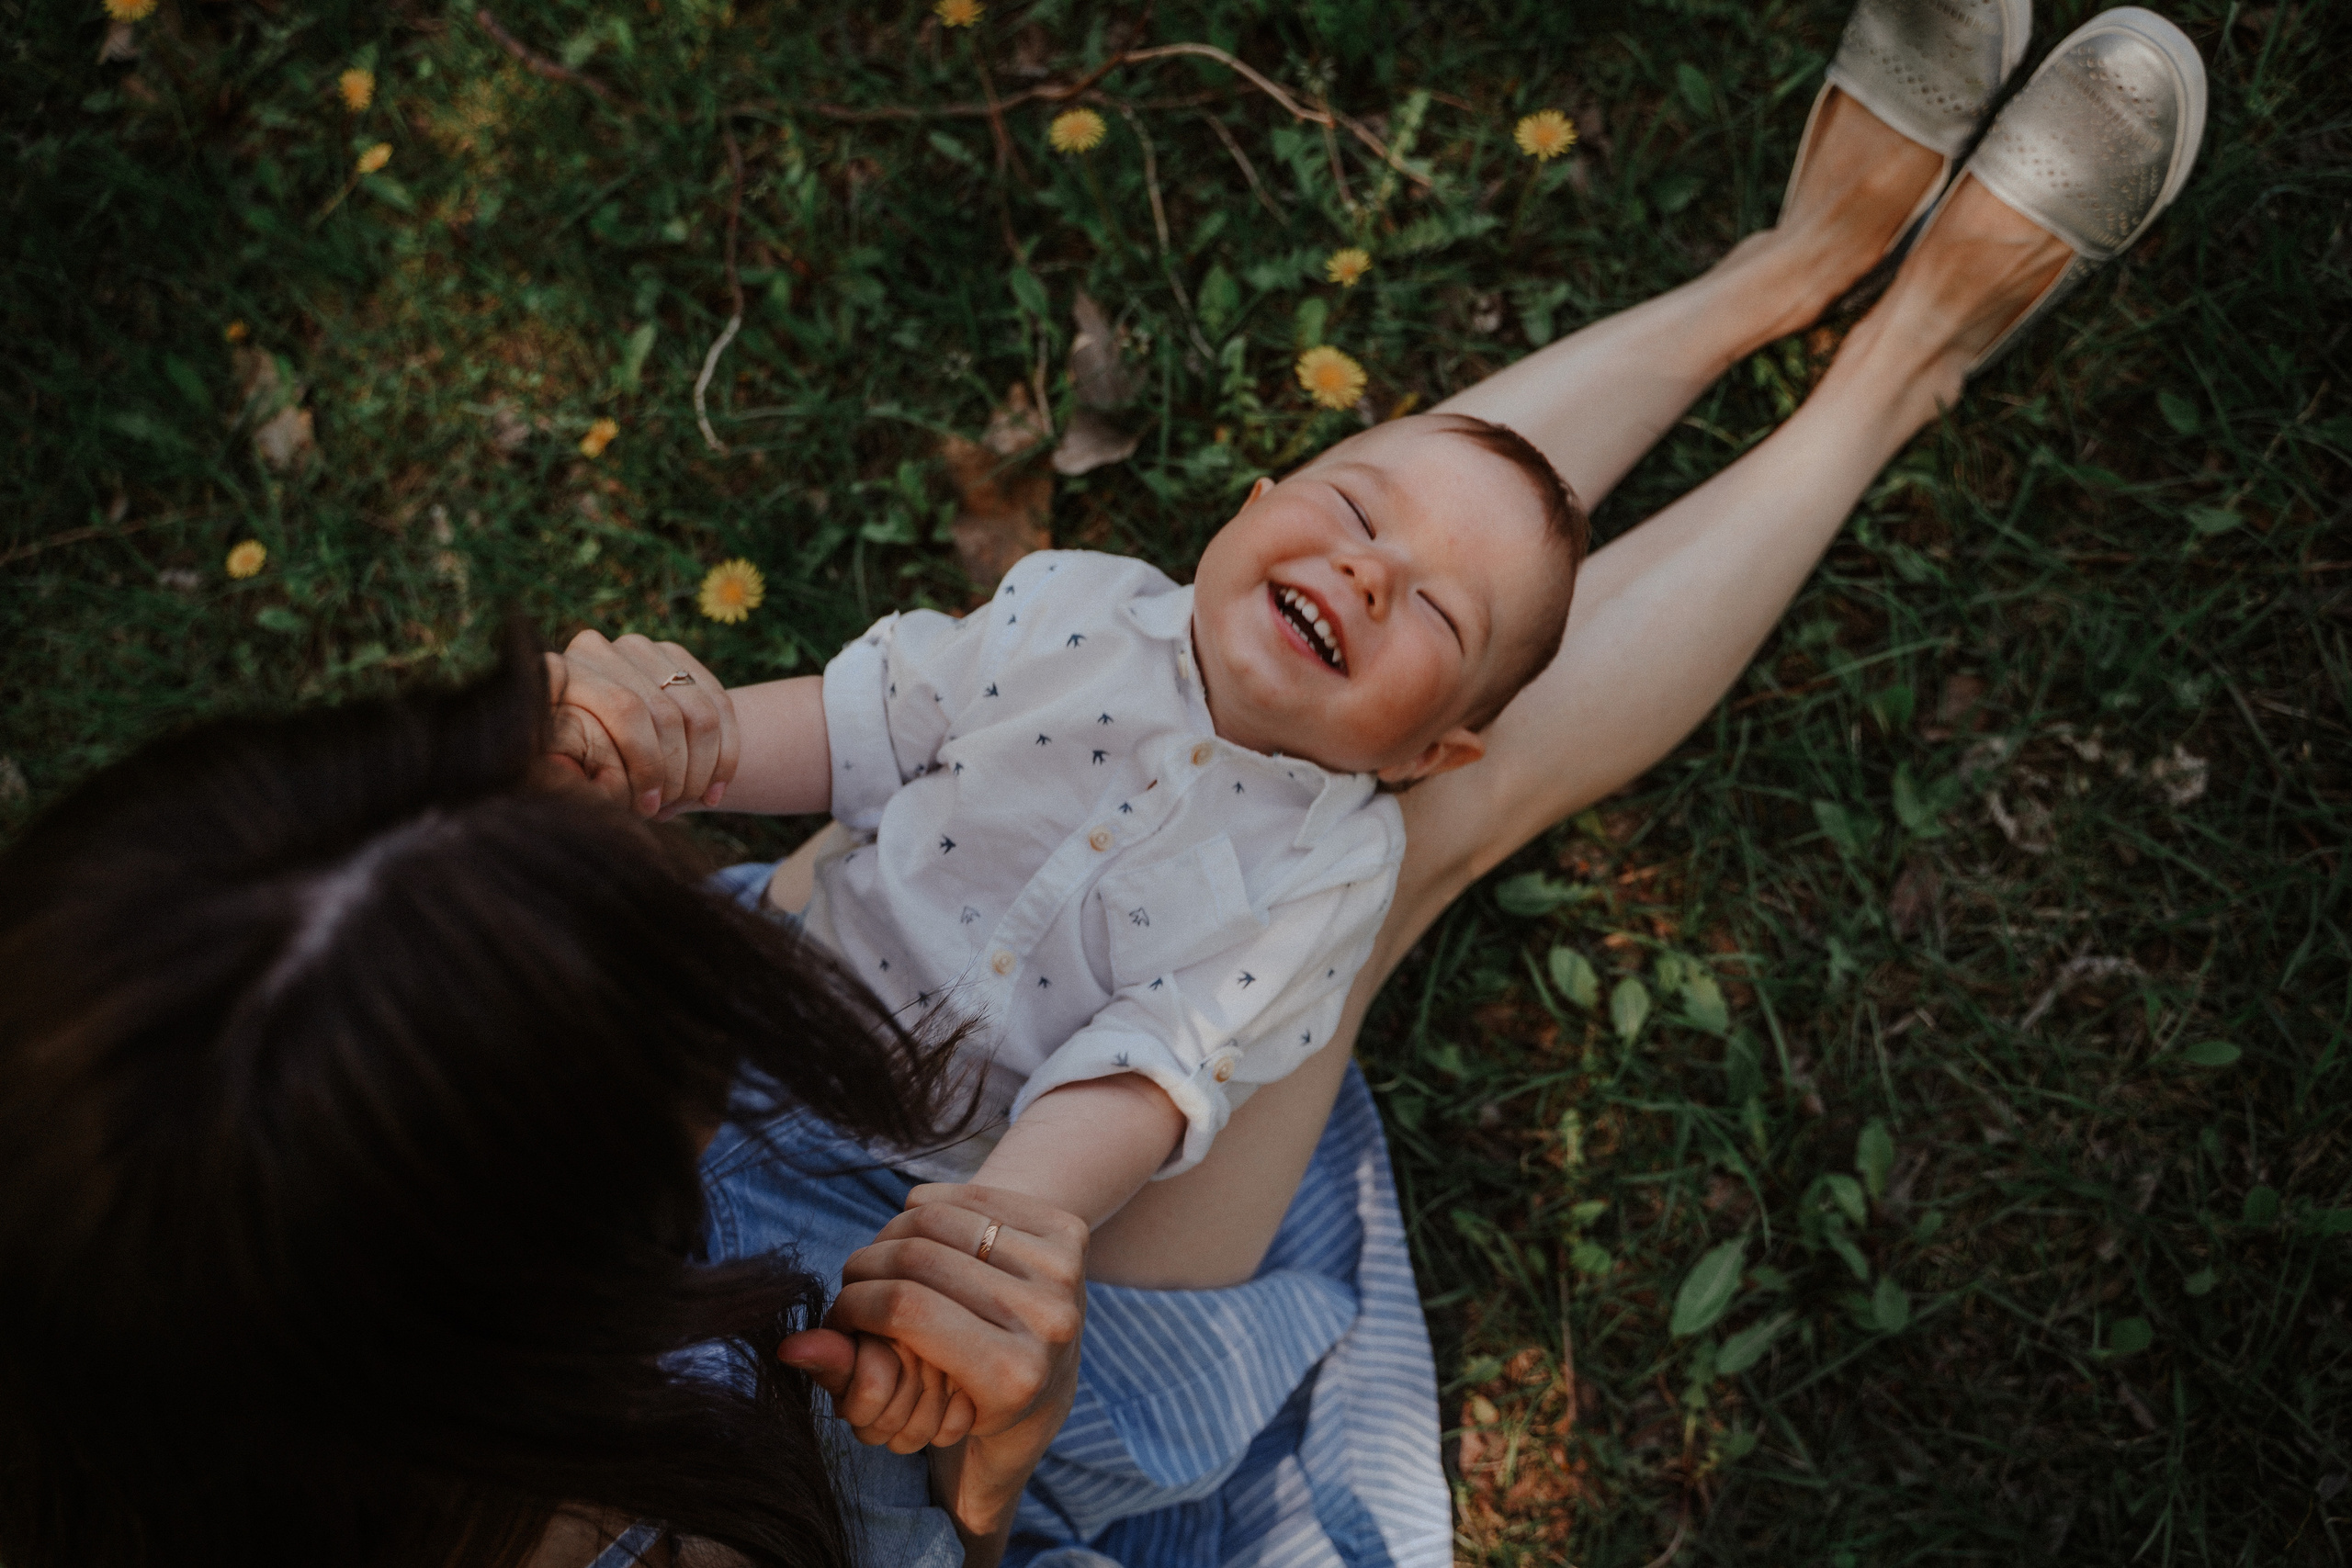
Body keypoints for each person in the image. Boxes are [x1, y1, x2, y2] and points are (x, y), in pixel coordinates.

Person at [0, 4, 2206, 1565]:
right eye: (651, 937)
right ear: (549, 1331)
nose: (686, 876)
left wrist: (665, 745)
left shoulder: (148, 1249)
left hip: (898, 1141)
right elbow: (1061, 1191)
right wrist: (984, 1464)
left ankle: (1787, 270)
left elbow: (855, 728)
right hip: (987, 1353)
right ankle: (1895, 359)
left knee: (1337, 633)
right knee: (1383, 828)